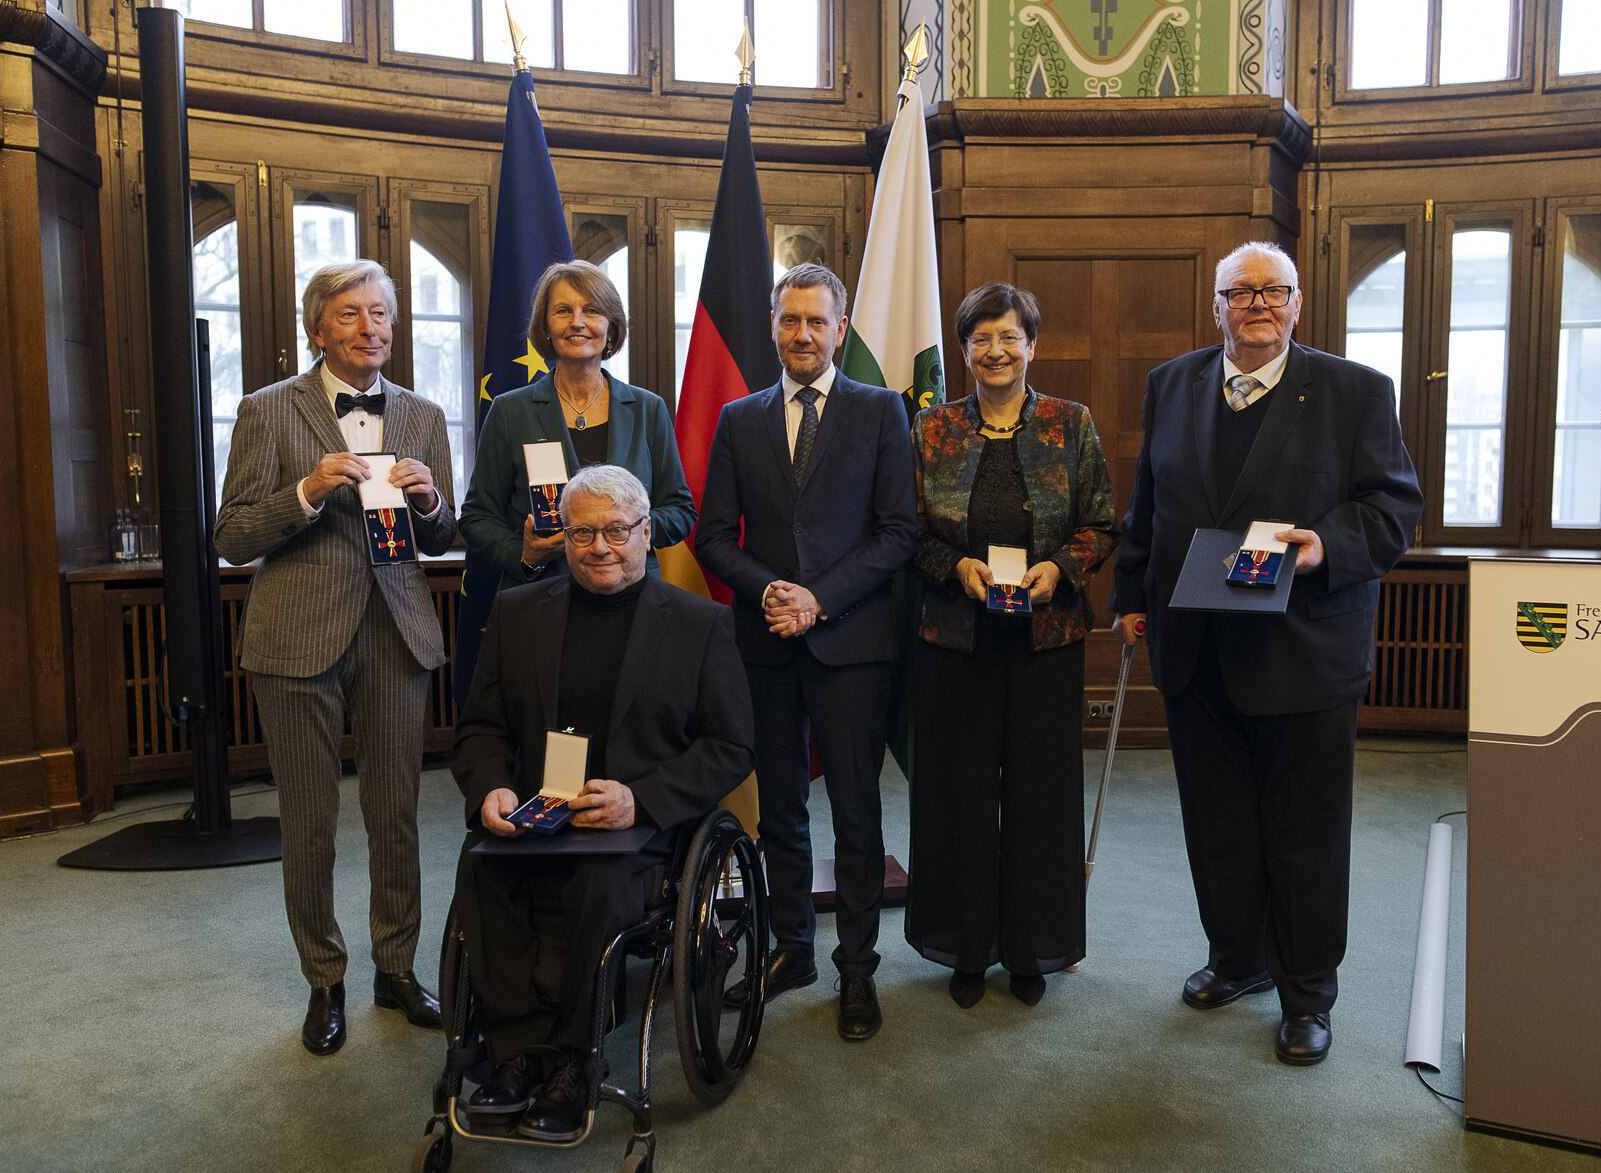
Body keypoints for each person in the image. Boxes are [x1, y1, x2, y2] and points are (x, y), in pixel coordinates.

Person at [1111, 241, 1422, 1065]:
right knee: (1218, 824)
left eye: (1272, 291)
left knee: (1304, 835)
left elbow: (1394, 508)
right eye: (1239, 292)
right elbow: (1150, 500)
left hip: (1304, 651)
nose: (1257, 304)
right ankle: (1238, 957)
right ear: (1216, 307)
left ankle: (1307, 993)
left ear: (1296, 304)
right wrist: (1132, 598)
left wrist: (1324, 546)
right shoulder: (1172, 384)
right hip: (1196, 647)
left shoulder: (1358, 391)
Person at [450, 465, 754, 1142]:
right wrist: (490, 786)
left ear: (646, 532)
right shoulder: (518, 613)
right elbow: (480, 729)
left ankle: (573, 1063)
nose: (600, 546)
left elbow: (731, 746)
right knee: (484, 869)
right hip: (539, 812)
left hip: (637, 833)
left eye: (617, 529)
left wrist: (639, 799)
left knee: (597, 882)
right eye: (582, 530)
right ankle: (515, 1053)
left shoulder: (700, 624)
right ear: (562, 535)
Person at [215, 259, 456, 1056]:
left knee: (395, 814)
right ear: (317, 328)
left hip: (396, 632)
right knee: (310, 822)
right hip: (296, 640)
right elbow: (232, 538)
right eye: (352, 314)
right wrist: (307, 491)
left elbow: (441, 534)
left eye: (382, 314)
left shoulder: (423, 414)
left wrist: (429, 503)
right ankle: (324, 979)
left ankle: (397, 967)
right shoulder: (266, 411)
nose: (372, 328)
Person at [696, 262, 915, 1042]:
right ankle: (794, 948)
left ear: (841, 328)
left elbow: (898, 531)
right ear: (773, 325)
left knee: (857, 811)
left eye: (816, 321)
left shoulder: (882, 410)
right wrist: (773, 593)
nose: (801, 334)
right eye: (790, 320)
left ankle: (858, 968)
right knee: (781, 809)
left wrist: (819, 598)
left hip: (853, 642)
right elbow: (715, 535)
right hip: (765, 644)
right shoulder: (738, 418)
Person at [905, 283, 1117, 1008]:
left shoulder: (1070, 424)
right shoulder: (932, 430)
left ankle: (1030, 948)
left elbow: (1102, 522)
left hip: (1044, 640)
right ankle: (966, 946)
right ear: (963, 351)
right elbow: (909, 533)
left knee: (1039, 796)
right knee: (958, 794)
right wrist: (953, 567)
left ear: (1032, 343)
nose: (996, 351)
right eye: (980, 339)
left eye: (1009, 336)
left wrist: (1059, 570)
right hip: (955, 641)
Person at [460, 259, 695, 591]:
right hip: (542, 592)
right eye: (562, 311)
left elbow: (681, 510)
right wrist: (525, 555)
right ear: (545, 327)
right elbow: (477, 516)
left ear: (611, 328)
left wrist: (625, 532)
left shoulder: (648, 409)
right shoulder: (509, 411)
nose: (577, 323)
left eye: (592, 311)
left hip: (633, 592)